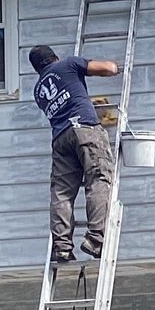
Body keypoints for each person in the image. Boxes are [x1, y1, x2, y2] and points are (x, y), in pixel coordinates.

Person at [30, 44, 123, 264]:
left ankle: (62, 247)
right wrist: (118, 67)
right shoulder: (68, 64)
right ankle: (95, 238)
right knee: (98, 179)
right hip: (85, 129)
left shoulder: (38, 90)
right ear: (55, 57)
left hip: (60, 139)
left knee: (61, 192)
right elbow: (108, 69)